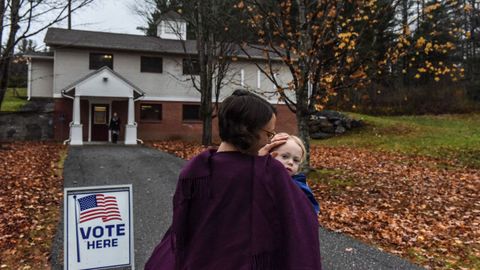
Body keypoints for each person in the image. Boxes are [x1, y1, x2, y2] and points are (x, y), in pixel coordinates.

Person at [145, 89, 322, 270]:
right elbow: (302, 223)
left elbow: (183, 227)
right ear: (247, 130)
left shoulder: (196, 169)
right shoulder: (268, 172)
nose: (268, 141)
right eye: (268, 134)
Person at [270, 133, 320, 214]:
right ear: (271, 156)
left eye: (296, 160)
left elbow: (311, 211)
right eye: (285, 156)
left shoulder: (298, 186)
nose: (290, 162)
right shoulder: (261, 176)